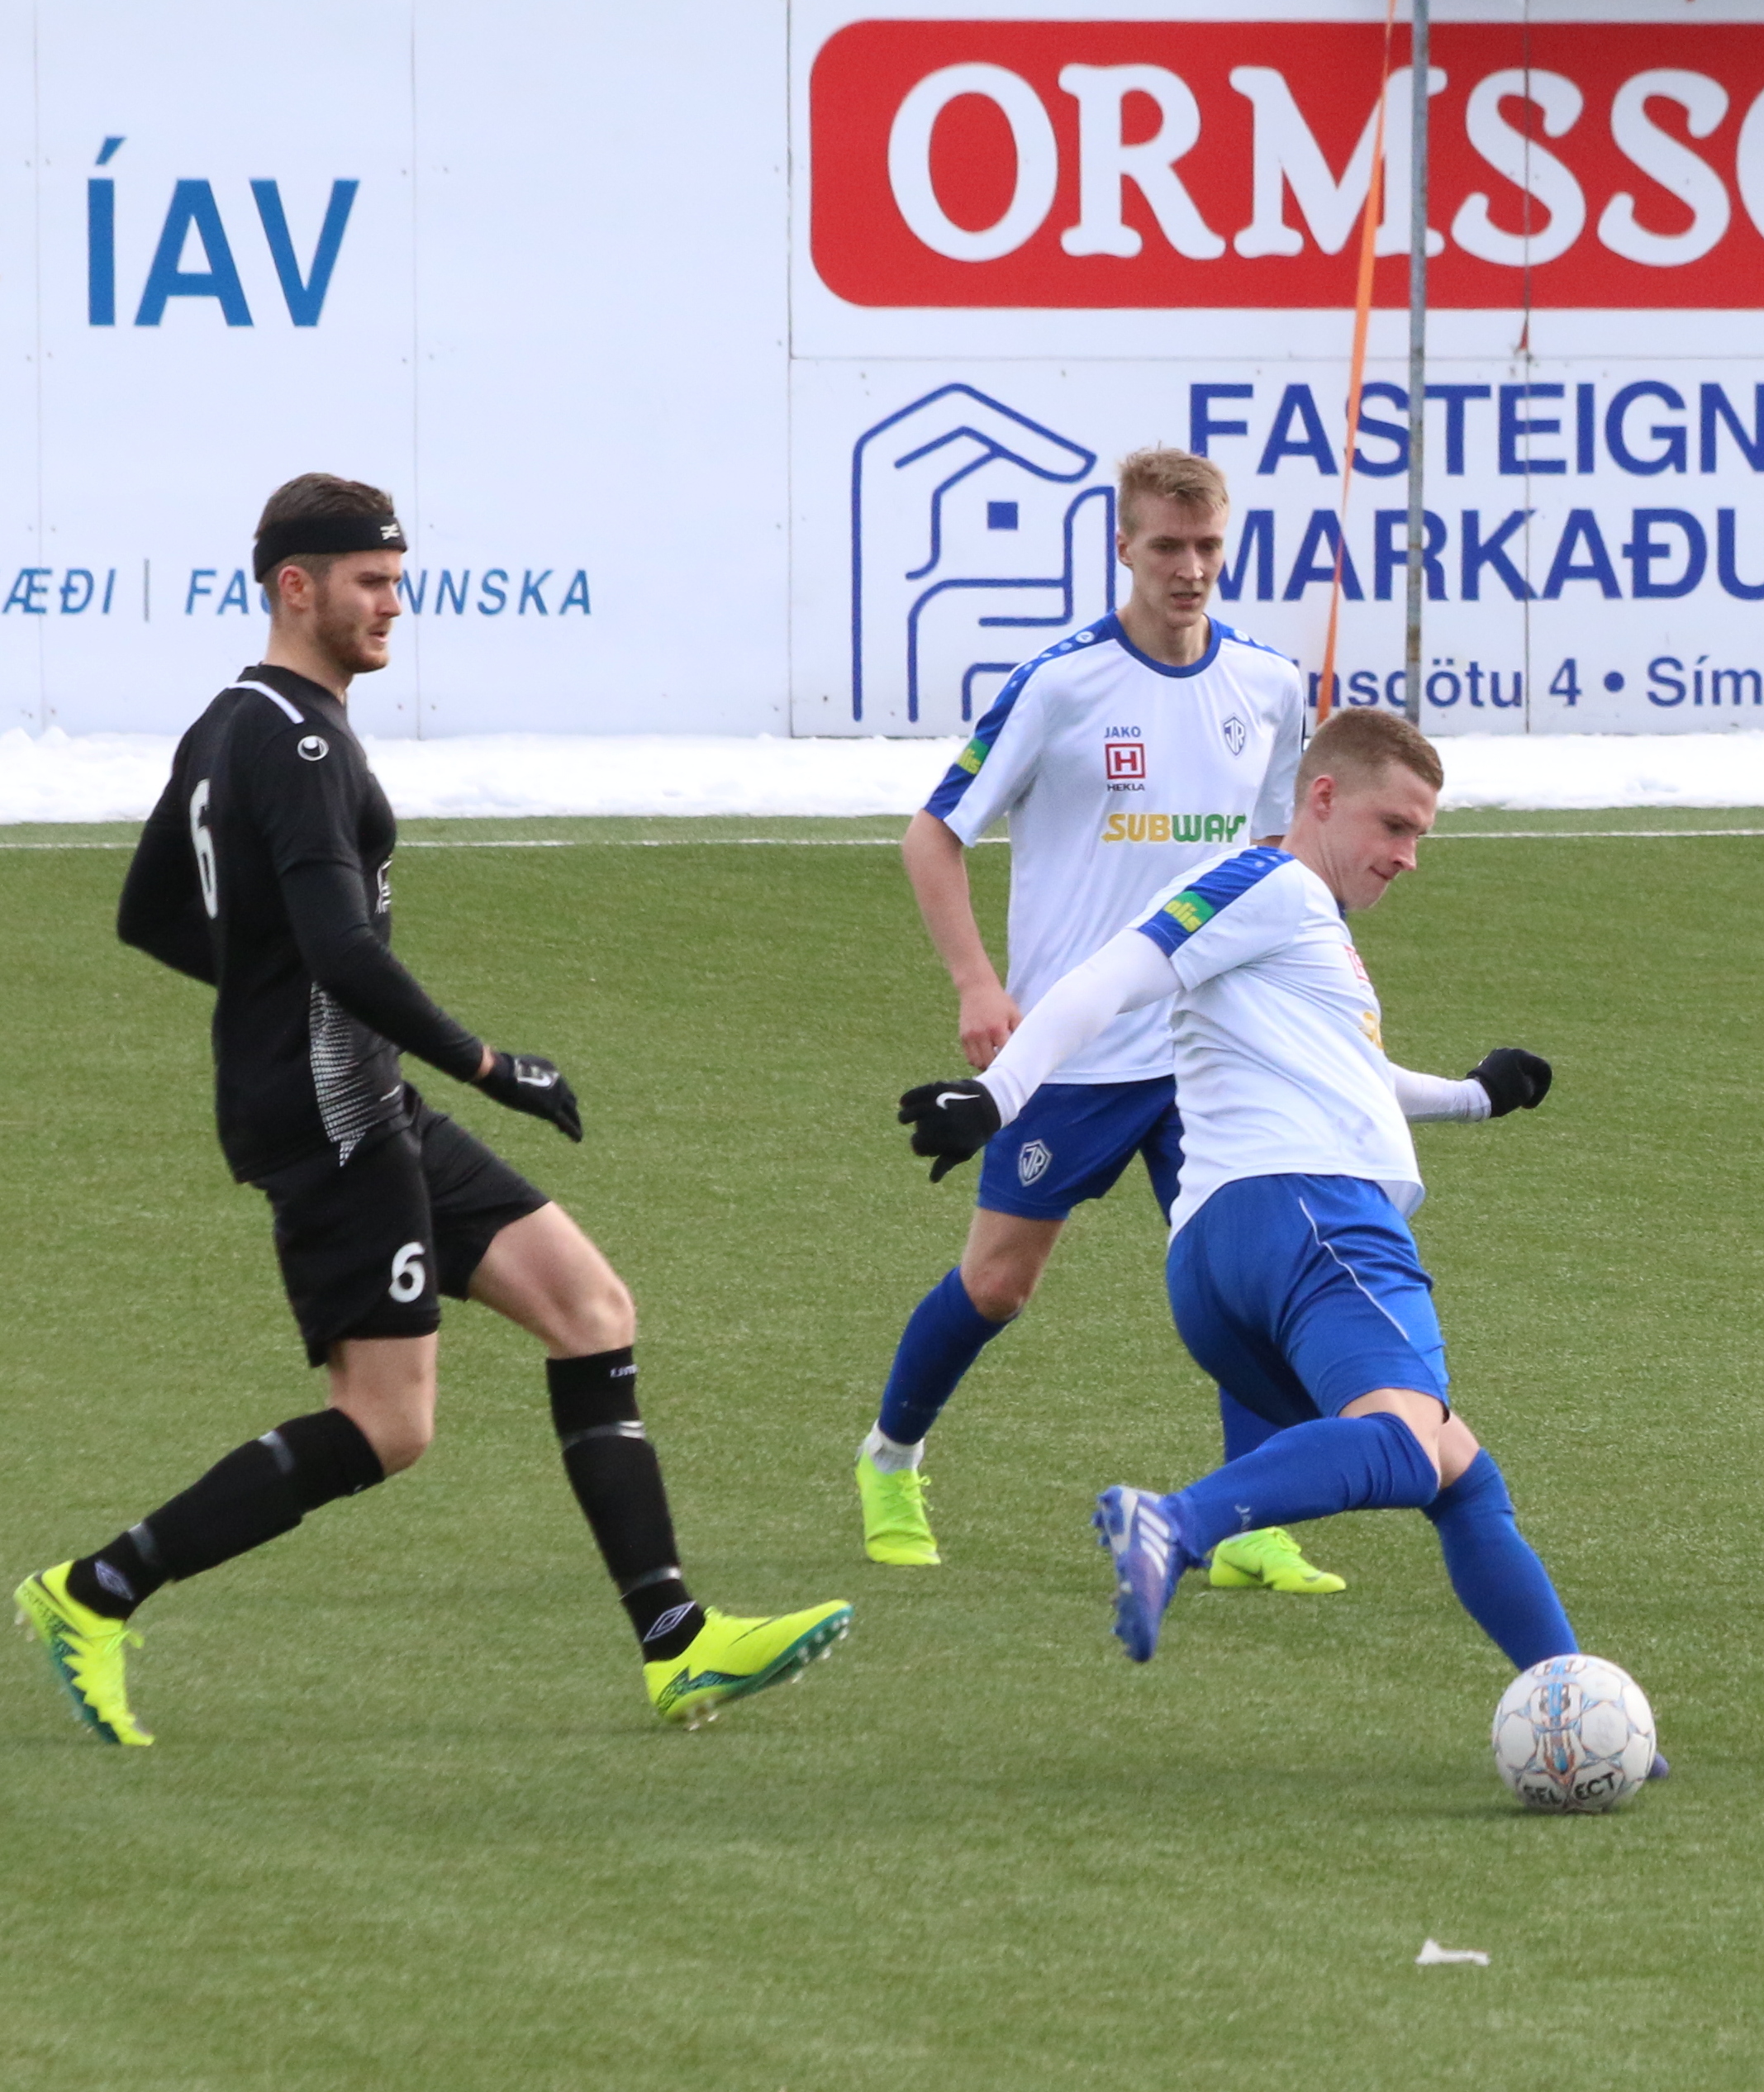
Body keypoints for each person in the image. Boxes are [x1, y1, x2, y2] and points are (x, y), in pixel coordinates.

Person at [12, 475, 848, 1745]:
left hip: (358, 1093)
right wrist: (491, 1064)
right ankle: (92, 1591)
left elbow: (153, 914)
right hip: (335, 1118)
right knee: (387, 1425)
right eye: (369, 582)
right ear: (296, 586)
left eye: (397, 580)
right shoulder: (300, 745)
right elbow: (342, 949)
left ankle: (678, 1643)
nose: (393, 604)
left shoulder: (229, 721)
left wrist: (276, 995)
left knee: (589, 1307)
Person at [892, 709, 1596, 1692]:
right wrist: (997, 1094)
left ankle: (1570, 1698)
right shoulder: (1271, 884)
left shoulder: (1301, 926)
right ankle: (1174, 1523)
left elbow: (1354, 1072)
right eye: (1394, 826)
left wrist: (1475, 1096)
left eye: (1420, 836)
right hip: (1315, 1218)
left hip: (1221, 1257)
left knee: (1460, 1475)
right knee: (1405, 1446)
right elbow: (1109, 975)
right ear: (1322, 796)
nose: (1408, 856)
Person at [861, 447, 1341, 1595]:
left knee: (1247, 1280)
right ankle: (889, 1459)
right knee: (998, 1284)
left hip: (1210, 1045)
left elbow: (1275, 859)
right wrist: (978, 984)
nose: (1190, 569)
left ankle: (1250, 1519)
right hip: (1072, 1053)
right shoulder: (1061, 684)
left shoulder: (1270, 686)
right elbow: (932, 834)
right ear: (1123, 547)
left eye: (1208, 546)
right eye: (1166, 546)